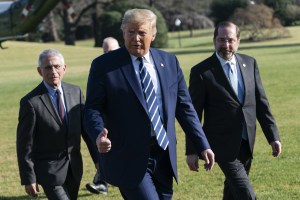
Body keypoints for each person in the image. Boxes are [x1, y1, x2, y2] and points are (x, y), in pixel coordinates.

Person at [84, 8, 215, 200]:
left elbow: (185, 108)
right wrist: (98, 135)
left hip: (164, 154)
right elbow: (92, 108)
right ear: (123, 33)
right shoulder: (104, 66)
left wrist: (202, 145)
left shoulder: (169, 62)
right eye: (131, 32)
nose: (135, 38)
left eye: (142, 33)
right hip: (128, 156)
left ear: (153, 35)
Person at [185, 21, 282, 200]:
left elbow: (261, 103)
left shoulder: (250, 63)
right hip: (220, 144)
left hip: (246, 141)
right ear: (214, 41)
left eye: (230, 40)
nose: (226, 45)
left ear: (238, 41)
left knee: (232, 191)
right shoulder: (201, 72)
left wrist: (273, 136)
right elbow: (193, 114)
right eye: (221, 40)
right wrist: (192, 150)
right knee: (246, 194)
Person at [16, 49, 98, 200]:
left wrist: (98, 160)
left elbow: (86, 131)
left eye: (57, 66)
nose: (53, 71)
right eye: (48, 67)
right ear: (40, 71)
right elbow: (24, 145)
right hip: (49, 172)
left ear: (64, 68)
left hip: (74, 169)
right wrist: (29, 178)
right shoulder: (30, 102)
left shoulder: (76, 92)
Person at [85, 37, 120, 195]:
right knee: (105, 149)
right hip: (106, 121)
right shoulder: (100, 68)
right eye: (105, 51)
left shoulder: (128, 66)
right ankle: (101, 182)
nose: (107, 54)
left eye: (111, 51)